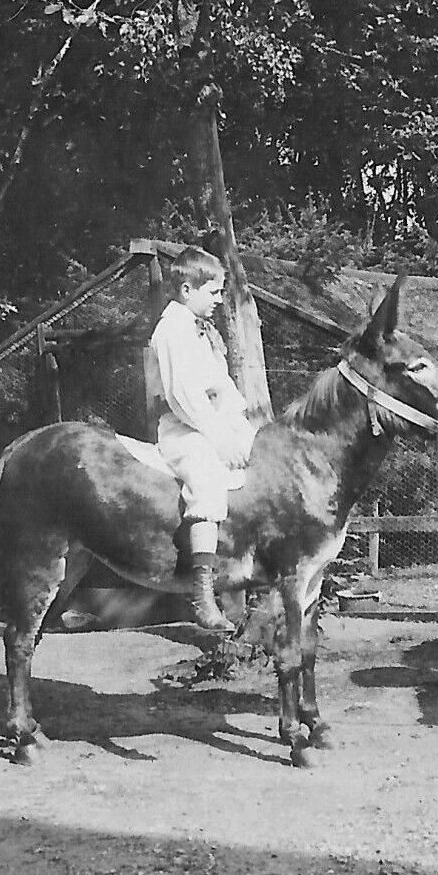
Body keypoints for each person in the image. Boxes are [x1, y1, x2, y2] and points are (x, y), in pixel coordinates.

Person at [147, 246, 258, 633]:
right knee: (208, 481)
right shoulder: (171, 331)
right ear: (185, 290)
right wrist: (218, 437)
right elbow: (183, 398)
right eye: (213, 292)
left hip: (214, 421)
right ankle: (203, 595)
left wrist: (240, 425)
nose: (218, 300)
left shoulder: (202, 331)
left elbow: (221, 385)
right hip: (185, 429)